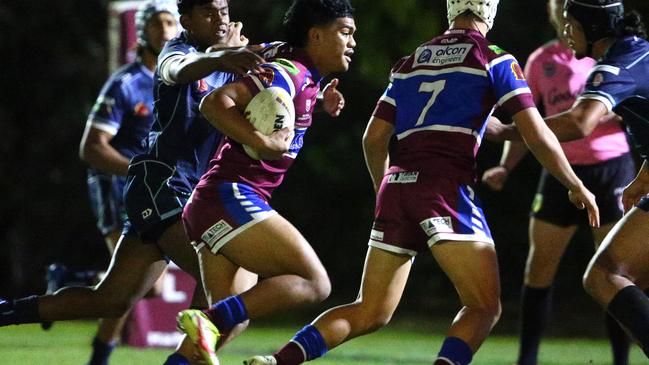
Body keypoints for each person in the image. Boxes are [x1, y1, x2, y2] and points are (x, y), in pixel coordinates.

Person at [243, 1, 600, 364]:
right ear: (488, 10)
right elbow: (536, 133)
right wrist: (574, 183)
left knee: (369, 311)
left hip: (397, 186)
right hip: (445, 186)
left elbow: (373, 138)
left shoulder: (411, 61)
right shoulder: (494, 58)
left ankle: (277, 361)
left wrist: (383, 188)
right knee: (484, 307)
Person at [0, 1, 265, 364]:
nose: (220, 19)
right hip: (161, 187)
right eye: (208, 12)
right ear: (185, 21)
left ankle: (4, 312)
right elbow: (179, 68)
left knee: (110, 299)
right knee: (227, 285)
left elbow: (280, 64)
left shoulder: (230, 62)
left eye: (224, 9)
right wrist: (219, 57)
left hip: (182, 194)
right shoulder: (179, 52)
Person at [175, 0, 355, 364]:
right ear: (316, 35)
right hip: (230, 196)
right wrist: (263, 142)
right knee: (314, 283)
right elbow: (214, 102)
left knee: (228, 325)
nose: (352, 42)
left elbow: (273, 101)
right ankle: (207, 319)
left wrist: (319, 101)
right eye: (345, 32)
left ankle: (206, 327)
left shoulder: (297, 71)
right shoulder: (288, 72)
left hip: (212, 203)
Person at [481, 1, 634, 364]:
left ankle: (621, 360)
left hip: (611, 169)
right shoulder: (540, 61)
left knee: (615, 273)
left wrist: (608, 114)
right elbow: (530, 121)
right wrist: (506, 167)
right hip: (560, 171)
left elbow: (589, 117)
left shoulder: (611, 56)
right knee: (538, 270)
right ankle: (527, 359)